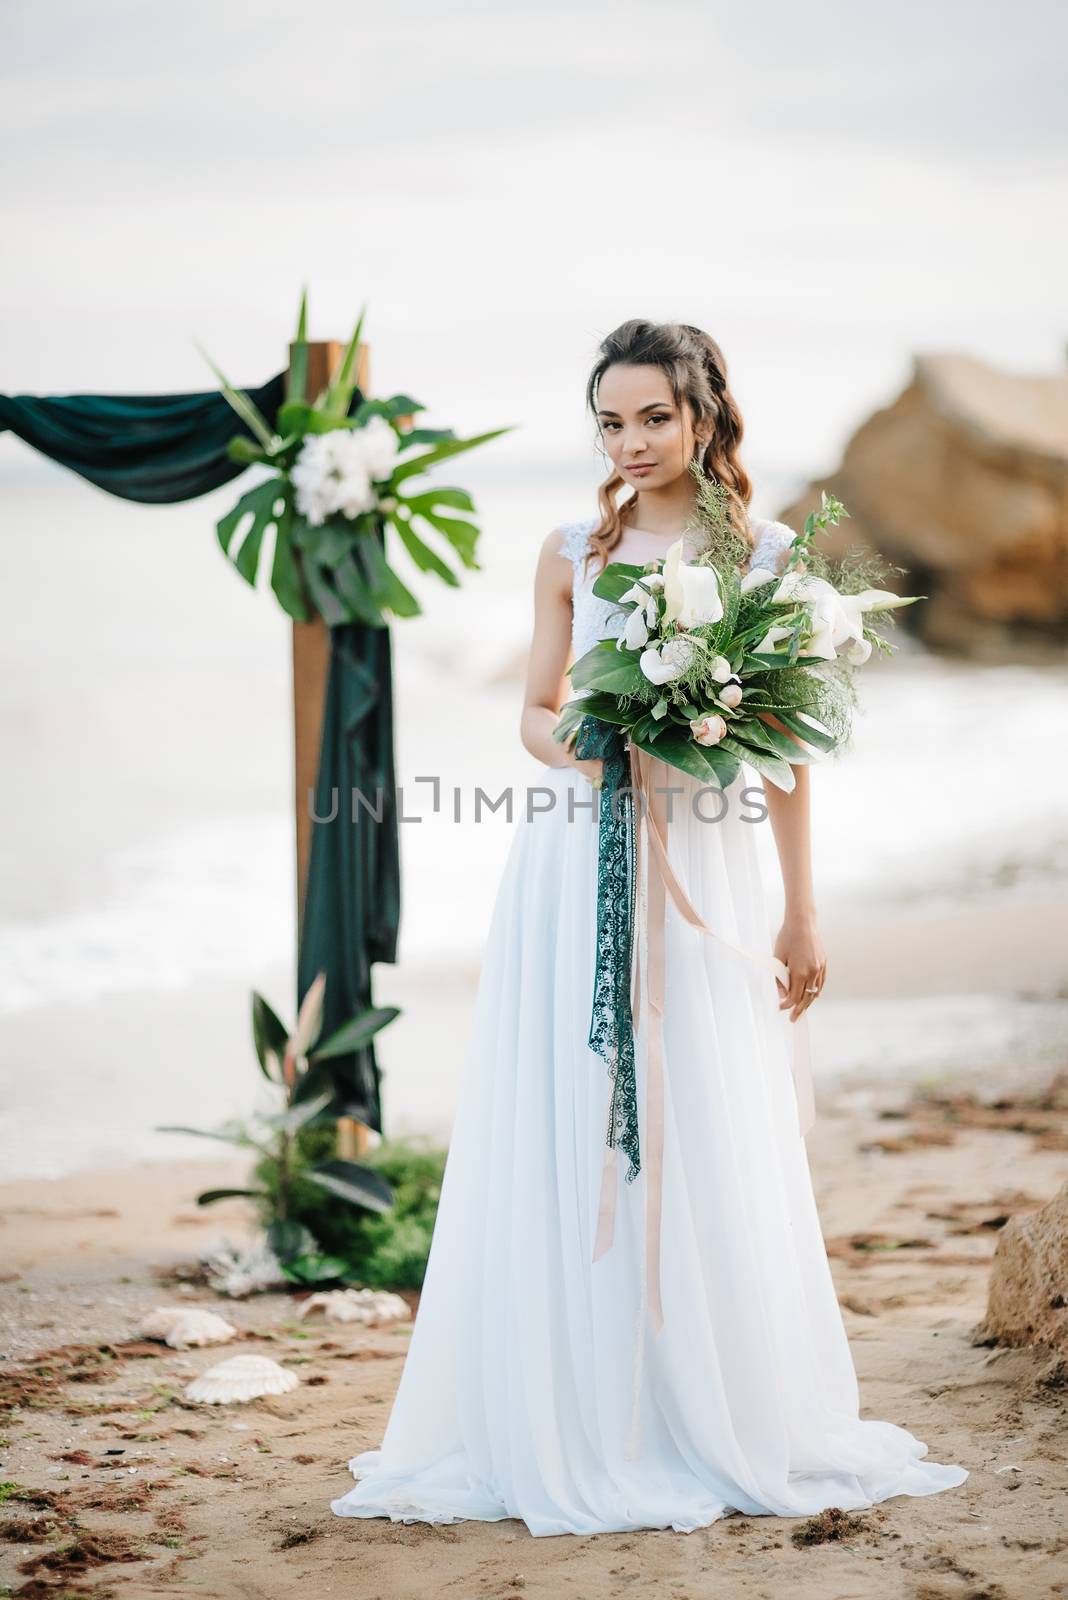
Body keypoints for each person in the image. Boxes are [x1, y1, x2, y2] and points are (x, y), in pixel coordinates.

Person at [330, 318, 969, 1537]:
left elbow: (789, 753)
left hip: (716, 865)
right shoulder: (571, 548)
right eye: (611, 422)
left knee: (707, 1104)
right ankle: (586, 1400)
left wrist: (800, 910)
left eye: (654, 418)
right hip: (579, 856)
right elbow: (533, 706)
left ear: (706, 414)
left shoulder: (768, 552)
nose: (631, 443)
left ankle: (707, 1397)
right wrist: (584, 741)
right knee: (576, 1104)